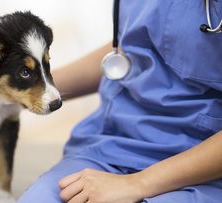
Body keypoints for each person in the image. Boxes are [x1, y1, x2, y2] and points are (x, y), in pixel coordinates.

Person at [18, 1, 222, 203]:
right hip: (113, 145)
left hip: (203, 166)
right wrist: (24, 91)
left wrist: (137, 183)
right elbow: (134, 45)